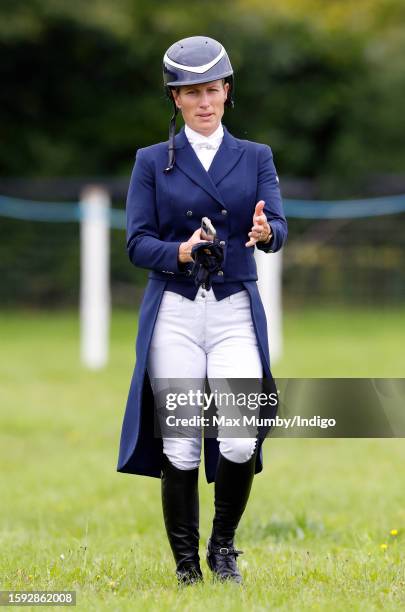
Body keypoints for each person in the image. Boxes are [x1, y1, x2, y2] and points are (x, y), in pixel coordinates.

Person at [116, 35, 288, 586]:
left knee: (239, 435)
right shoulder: (150, 162)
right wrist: (183, 251)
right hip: (176, 310)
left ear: (226, 91)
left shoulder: (256, 156)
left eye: (212, 90)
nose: (204, 102)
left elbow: (279, 228)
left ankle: (223, 548)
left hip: (235, 307)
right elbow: (137, 244)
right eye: (192, 93)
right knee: (182, 439)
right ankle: (187, 568)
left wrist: (265, 233)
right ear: (176, 99)